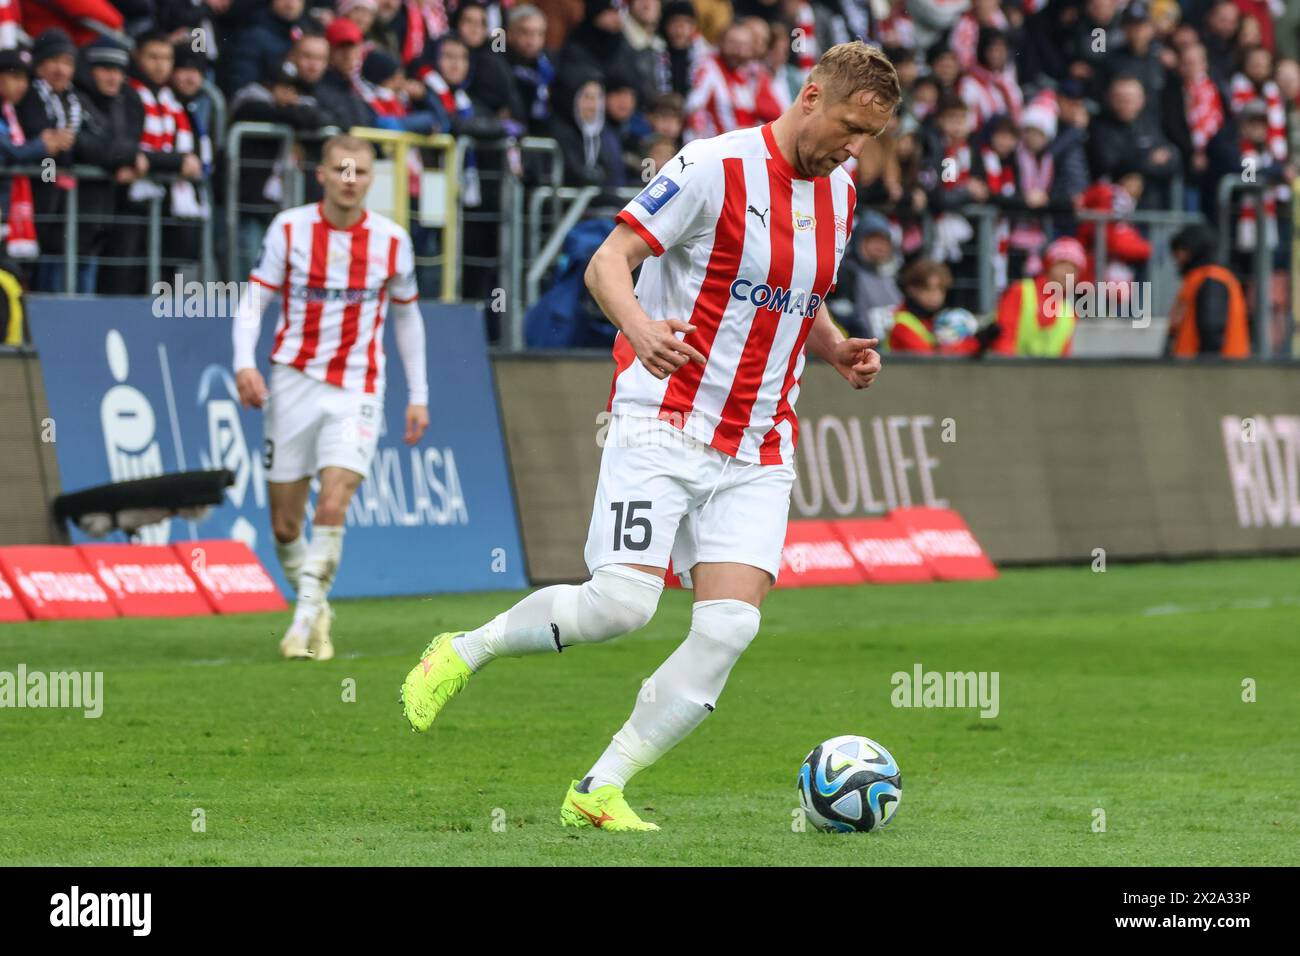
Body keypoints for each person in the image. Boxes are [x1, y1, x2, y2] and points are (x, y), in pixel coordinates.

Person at [398, 40, 896, 832]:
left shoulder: (839, 191)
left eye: (866, 136)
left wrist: (833, 346)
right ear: (810, 95)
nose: (852, 146)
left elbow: (804, 294)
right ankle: (466, 648)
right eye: (846, 125)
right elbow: (608, 263)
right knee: (620, 606)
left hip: (760, 442)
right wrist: (640, 326)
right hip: (667, 419)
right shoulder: (712, 166)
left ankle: (599, 787)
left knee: (731, 625)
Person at [231, 133, 430, 661]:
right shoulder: (290, 229)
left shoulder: (391, 241)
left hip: (358, 386)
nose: (350, 180)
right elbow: (255, 297)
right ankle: (317, 608)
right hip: (292, 380)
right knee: (283, 524)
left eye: (360, 172)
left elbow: (408, 317)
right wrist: (244, 362)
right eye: (340, 169)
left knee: (336, 495)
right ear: (320, 174)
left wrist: (419, 393)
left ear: (371, 179)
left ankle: (300, 628)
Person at [990, 236, 1084, 357]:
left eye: (1074, 269)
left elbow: (1064, 356)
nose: (1067, 273)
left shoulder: (1069, 313)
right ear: (1048, 266)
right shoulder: (1019, 292)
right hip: (1012, 371)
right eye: (1062, 265)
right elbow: (1003, 341)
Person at [1166, 223, 1250, 358]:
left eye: (1180, 251)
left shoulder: (1212, 279)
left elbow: (1212, 330)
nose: (1177, 259)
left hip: (1213, 373)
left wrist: (1207, 372)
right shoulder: (1202, 278)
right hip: (1204, 371)